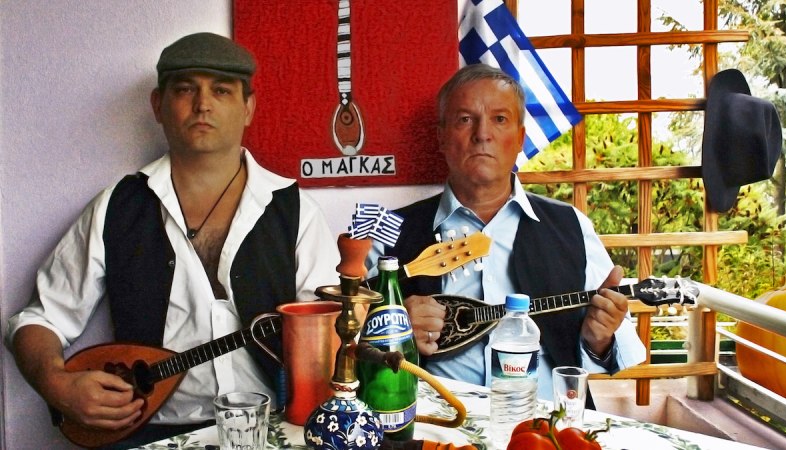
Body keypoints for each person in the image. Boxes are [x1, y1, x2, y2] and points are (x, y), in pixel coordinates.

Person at [5, 32, 339, 448]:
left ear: (248, 107)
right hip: (148, 433)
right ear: (158, 105)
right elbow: (40, 319)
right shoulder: (118, 207)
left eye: (221, 90)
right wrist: (56, 385)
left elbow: (329, 332)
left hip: (276, 425)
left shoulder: (295, 212)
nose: (203, 104)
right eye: (185, 90)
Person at [367, 63, 646, 409]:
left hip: (543, 428)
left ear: (520, 139)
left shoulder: (571, 226)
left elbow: (614, 351)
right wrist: (394, 330)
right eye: (465, 119)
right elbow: (348, 346)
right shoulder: (389, 229)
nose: (482, 134)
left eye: (499, 119)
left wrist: (598, 339)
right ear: (440, 136)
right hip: (435, 425)